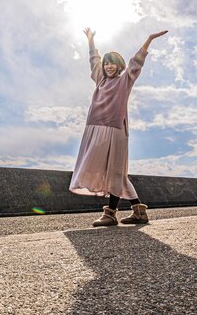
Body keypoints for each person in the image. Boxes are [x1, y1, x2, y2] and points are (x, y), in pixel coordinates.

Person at [69, 27, 168, 226]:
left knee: (115, 171)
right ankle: (138, 210)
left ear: (119, 66)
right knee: (114, 173)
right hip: (95, 128)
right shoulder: (100, 79)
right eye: (107, 63)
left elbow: (136, 62)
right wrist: (90, 41)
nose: (108, 66)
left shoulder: (125, 81)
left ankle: (111, 213)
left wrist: (148, 40)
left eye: (113, 63)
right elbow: (93, 60)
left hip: (115, 129)